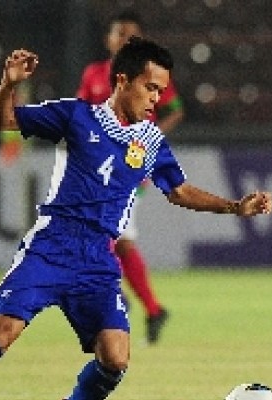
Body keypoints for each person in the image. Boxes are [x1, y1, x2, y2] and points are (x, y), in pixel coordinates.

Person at [0, 38, 272, 400]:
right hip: (52, 245)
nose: (157, 99)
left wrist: (234, 207)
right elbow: (3, 121)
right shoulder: (76, 115)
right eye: (151, 87)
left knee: (116, 358)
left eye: (161, 91)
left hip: (99, 259)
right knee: (3, 333)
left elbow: (178, 190)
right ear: (122, 80)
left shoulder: (151, 141)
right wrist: (9, 85)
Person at [77, 10, 185, 344]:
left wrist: (148, 135)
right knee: (120, 241)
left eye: (132, 35)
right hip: (97, 167)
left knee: (108, 235)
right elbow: (80, 114)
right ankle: (151, 309)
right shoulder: (94, 74)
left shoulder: (149, 75)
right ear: (109, 39)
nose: (126, 40)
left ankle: (115, 297)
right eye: (120, 34)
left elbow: (176, 109)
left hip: (130, 164)